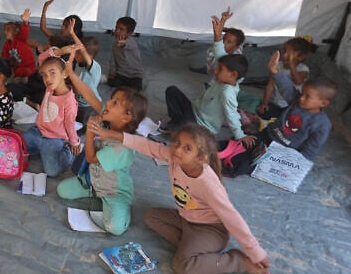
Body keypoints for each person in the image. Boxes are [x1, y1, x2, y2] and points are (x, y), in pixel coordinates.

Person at [104, 123, 270, 274]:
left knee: (182, 266)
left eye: (187, 148)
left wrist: (255, 252)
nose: (177, 149)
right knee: (151, 217)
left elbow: (232, 218)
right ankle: (194, 251)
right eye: (177, 142)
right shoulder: (174, 157)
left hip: (211, 230)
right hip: (187, 220)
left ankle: (239, 262)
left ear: (200, 158)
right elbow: (150, 147)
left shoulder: (208, 184)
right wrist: (118, 136)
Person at [58, 49, 147, 235]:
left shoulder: (121, 147)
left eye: (115, 103)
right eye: (112, 99)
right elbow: (90, 95)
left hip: (114, 193)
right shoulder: (108, 119)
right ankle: (92, 190)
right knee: (62, 190)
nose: (108, 103)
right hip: (94, 183)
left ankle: (121, 210)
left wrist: (90, 132)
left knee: (114, 228)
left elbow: (90, 158)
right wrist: (71, 74)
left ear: (126, 117)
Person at [223, 51, 336, 177]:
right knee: (238, 143)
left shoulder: (322, 124)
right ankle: (221, 152)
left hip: (281, 151)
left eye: (307, 97)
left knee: (246, 163)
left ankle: (233, 166)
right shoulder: (297, 101)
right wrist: (275, 71)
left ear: (323, 103)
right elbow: (287, 88)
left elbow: (311, 149)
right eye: (302, 93)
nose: (301, 98)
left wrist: (297, 165)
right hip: (266, 135)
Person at [164, 54, 256, 145]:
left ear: (233, 74)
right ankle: (176, 121)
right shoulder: (223, 80)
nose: (216, 71)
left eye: (220, 69)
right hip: (193, 111)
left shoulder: (228, 93)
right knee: (172, 91)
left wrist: (240, 135)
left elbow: (232, 114)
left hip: (201, 124)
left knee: (178, 133)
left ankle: (180, 126)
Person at [22, 56, 80, 177]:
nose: (47, 78)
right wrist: (63, 51)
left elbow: (70, 124)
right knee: (15, 147)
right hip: (37, 132)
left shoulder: (69, 100)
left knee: (52, 171)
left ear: (65, 74)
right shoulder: (50, 87)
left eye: (52, 73)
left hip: (54, 139)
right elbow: (43, 57)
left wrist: (74, 142)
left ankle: (67, 151)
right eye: (44, 75)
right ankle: (40, 150)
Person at [257, 37, 313, 120]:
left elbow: (298, 81)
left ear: (300, 57)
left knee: (293, 118)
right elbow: (270, 86)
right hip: (274, 102)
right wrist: (265, 104)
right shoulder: (277, 66)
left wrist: (292, 66)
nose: (284, 55)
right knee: (263, 112)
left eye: (289, 53)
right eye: (284, 51)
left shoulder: (303, 69)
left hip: (290, 106)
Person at [63, 19, 102, 132]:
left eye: (78, 53)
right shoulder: (79, 66)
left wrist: (72, 33)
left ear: (89, 56)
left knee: (86, 126)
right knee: (72, 120)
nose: (75, 55)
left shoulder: (94, 68)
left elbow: (82, 49)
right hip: (79, 102)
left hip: (90, 105)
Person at [108, 16, 144, 91]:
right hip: (122, 74)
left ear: (129, 33)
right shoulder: (115, 45)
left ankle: (127, 85)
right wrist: (112, 72)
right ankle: (124, 84)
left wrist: (123, 43)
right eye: (116, 28)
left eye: (121, 29)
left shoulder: (131, 42)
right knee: (111, 82)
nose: (117, 31)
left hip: (135, 75)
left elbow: (127, 44)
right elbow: (113, 60)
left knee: (136, 88)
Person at [1, 8, 36, 81]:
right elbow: (4, 57)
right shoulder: (7, 45)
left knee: (27, 73)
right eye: (4, 30)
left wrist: (25, 21)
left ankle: (25, 79)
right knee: (16, 72)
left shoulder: (21, 39)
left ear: (15, 31)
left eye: (8, 30)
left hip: (29, 67)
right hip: (18, 68)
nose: (5, 32)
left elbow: (25, 31)